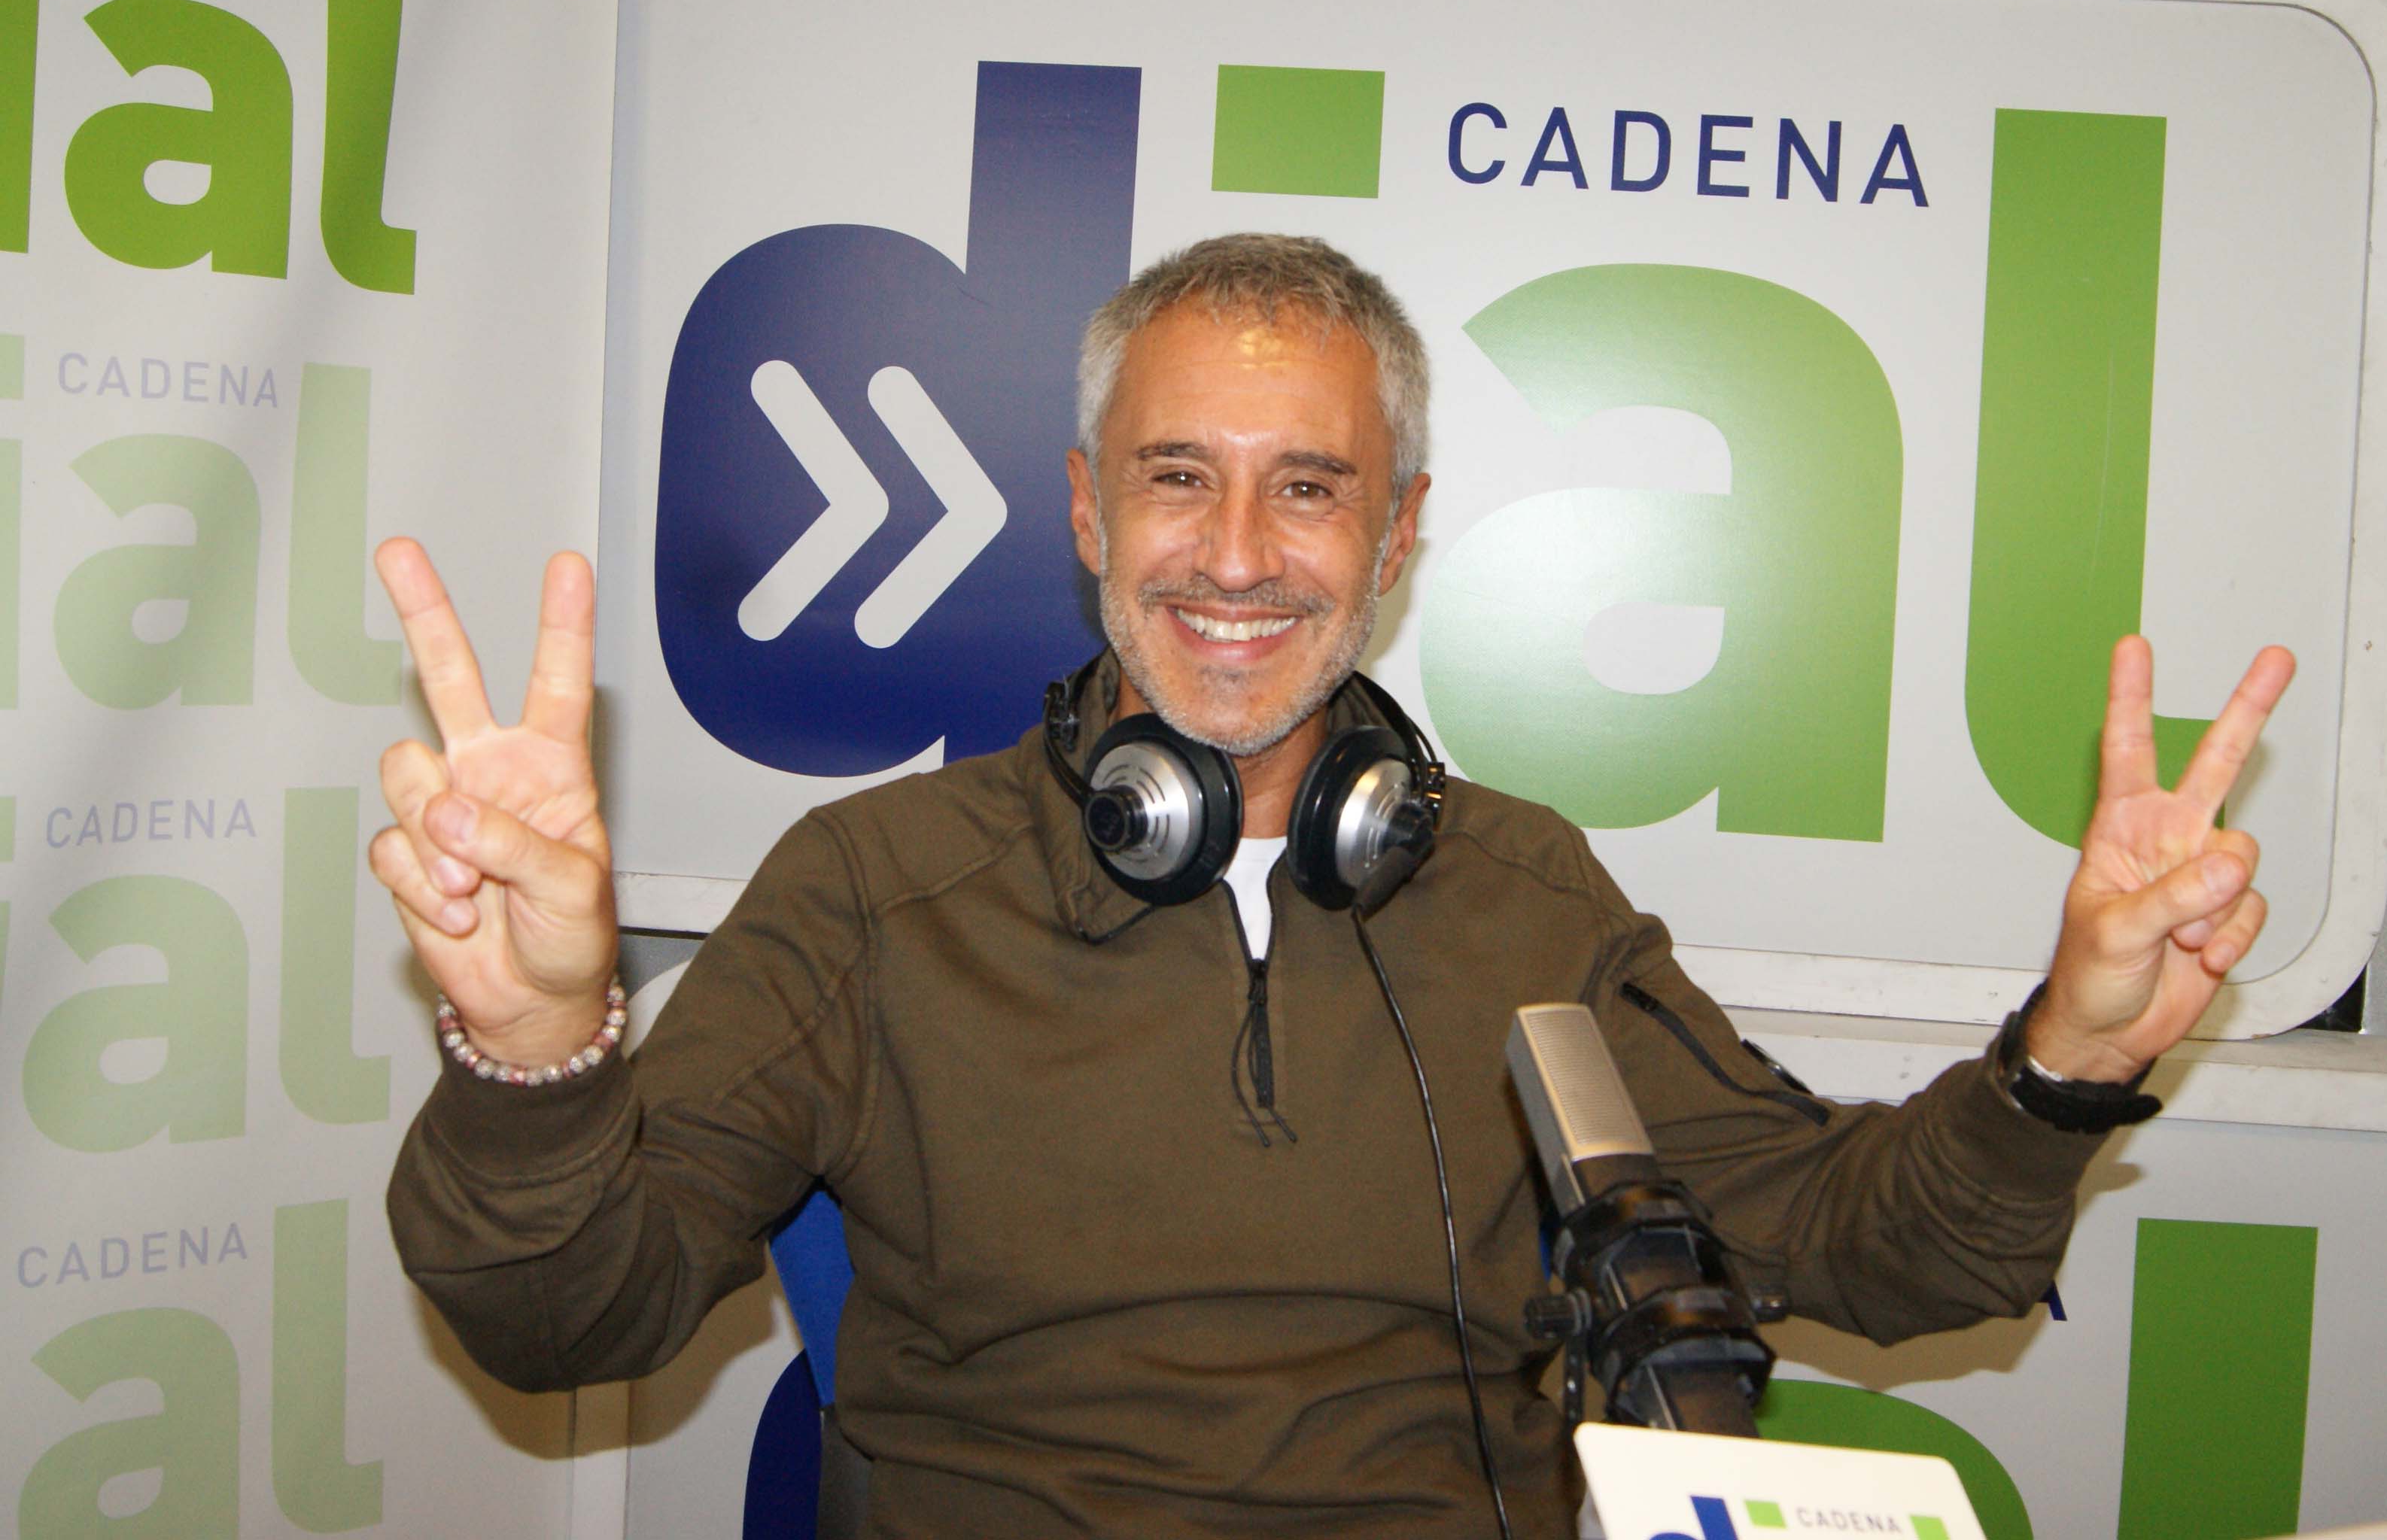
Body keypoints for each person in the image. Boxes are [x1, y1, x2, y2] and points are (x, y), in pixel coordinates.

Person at [372, 234, 2293, 1539]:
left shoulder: (1524, 894)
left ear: (1395, 536)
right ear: (1085, 510)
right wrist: (530, 1053)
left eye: (1306, 486)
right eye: (1175, 476)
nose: (1234, 556)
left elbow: (1864, 1244)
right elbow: (567, 1320)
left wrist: (2066, 1058)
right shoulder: (874, 888)